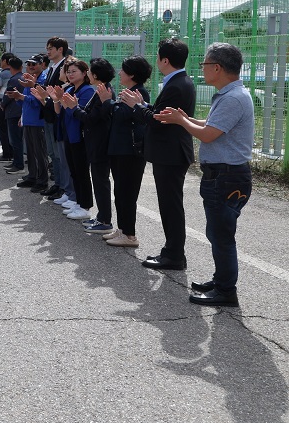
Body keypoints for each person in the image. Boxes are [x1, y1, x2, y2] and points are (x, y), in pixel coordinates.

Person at [156, 43, 254, 306]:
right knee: (218, 233)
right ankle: (221, 280)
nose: (203, 70)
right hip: (224, 175)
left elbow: (208, 134)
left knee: (221, 236)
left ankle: (225, 291)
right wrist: (185, 117)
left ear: (218, 68)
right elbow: (211, 125)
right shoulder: (229, 94)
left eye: (206, 65)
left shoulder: (232, 98)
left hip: (227, 176)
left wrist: (181, 121)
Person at [120, 38, 196, 271]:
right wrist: (144, 105)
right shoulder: (179, 82)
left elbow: (158, 121)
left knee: (170, 206)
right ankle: (172, 252)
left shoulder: (176, 85)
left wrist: (137, 106)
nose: (156, 61)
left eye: (158, 57)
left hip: (170, 154)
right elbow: (159, 113)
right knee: (169, 204)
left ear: (165, 60)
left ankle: (173, 255)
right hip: (169, 152)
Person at [100, 55, 153, 248]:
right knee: (120, 191)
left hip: (130, 151)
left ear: (131, 73)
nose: (120, 73)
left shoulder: (139, 93)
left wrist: (108, 102)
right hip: (120, 149)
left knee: (128, 193)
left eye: (123, 70)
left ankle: (130, 234)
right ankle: (122, 229)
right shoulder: (128, 91)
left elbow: (126, 115)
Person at [65, 58, 116, 234]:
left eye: (89, 71)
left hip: (100, 144)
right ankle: (101, 216)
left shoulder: (105, 91)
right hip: (95, 143)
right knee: (98, 180)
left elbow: (92, 119)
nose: (88, 74)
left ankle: (105, 220)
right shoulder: (100, 90)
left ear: (95, 74)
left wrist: (73, 108)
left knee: (101, 181)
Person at [57, 59, 96, 222]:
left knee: (81, 172)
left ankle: (84, 205)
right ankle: (77, 201)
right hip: (69, 134)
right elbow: (61, 111)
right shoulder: (72, 89)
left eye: (74, 71)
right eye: (68, 71)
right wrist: (57, 99)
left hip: (79, 136)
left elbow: (78, 113)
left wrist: (67, 103)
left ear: (84, 73)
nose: (70, 74)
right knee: (74, 171)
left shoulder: (87, 91)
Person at [15, 55, 49, 193]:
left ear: (42, 65)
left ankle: (42, 180)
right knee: (30, 151)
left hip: (38, 121)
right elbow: (25, 100)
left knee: (39, 152)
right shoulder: (29, 79)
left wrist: (21, 97)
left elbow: (38, 101)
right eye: (28, 64)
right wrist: (18, 97)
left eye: (34, 64)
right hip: (29, 120)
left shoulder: (42, 80)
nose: (30, 66)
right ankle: (32, 176)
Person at [41, 37, 70, 197]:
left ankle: (62, 187)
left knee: (59, 155)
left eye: (51, 48)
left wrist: (46, 95)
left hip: (57, 116)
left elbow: (59, 92)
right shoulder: (52, 67)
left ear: (60, 49)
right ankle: (58, 184)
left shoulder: (66, 67)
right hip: (48, 114)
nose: (48, 51)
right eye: (47, 48)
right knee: (52, 153)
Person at [0, 56, 24, 174]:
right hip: (19, 112)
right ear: (21, 66)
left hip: (13, 112)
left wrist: (3, 104)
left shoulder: (13, 79)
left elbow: (8, 95)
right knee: (17, 139)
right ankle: (16, 162)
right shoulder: (23, 77)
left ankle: (18, 164)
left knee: (14, 140)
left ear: (10, 66)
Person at [0, 52, 14, 162]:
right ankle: (13, 153)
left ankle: (6, 153)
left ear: (5, 61)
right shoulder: (16, 73)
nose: (0, 63)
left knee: (2, 129)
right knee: (11, 129)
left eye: (1, 60)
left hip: (1, 102)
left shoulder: (2, 74)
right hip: (13, 103)